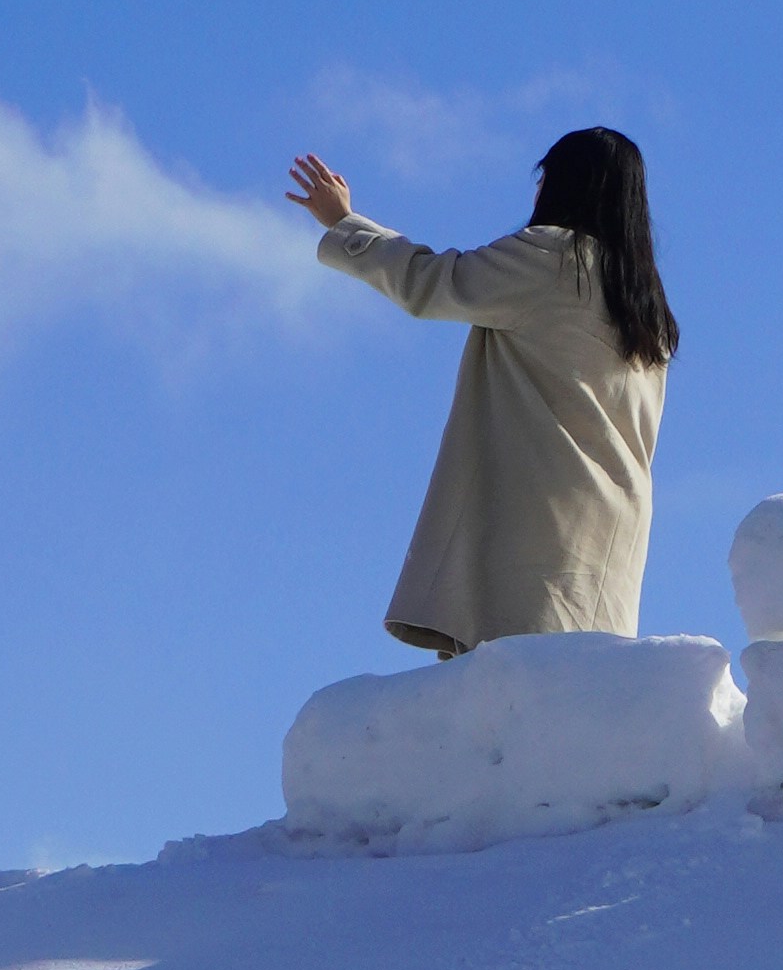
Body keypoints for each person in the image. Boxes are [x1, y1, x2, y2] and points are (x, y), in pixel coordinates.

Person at [288, 126, 678, 657]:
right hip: (610, 537)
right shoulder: (645, 308)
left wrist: (344, 223)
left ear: (561, 185)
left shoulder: (555, 259)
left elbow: (432, 282)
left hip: (538, 520)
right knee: (579, 697)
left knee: (506, 697)